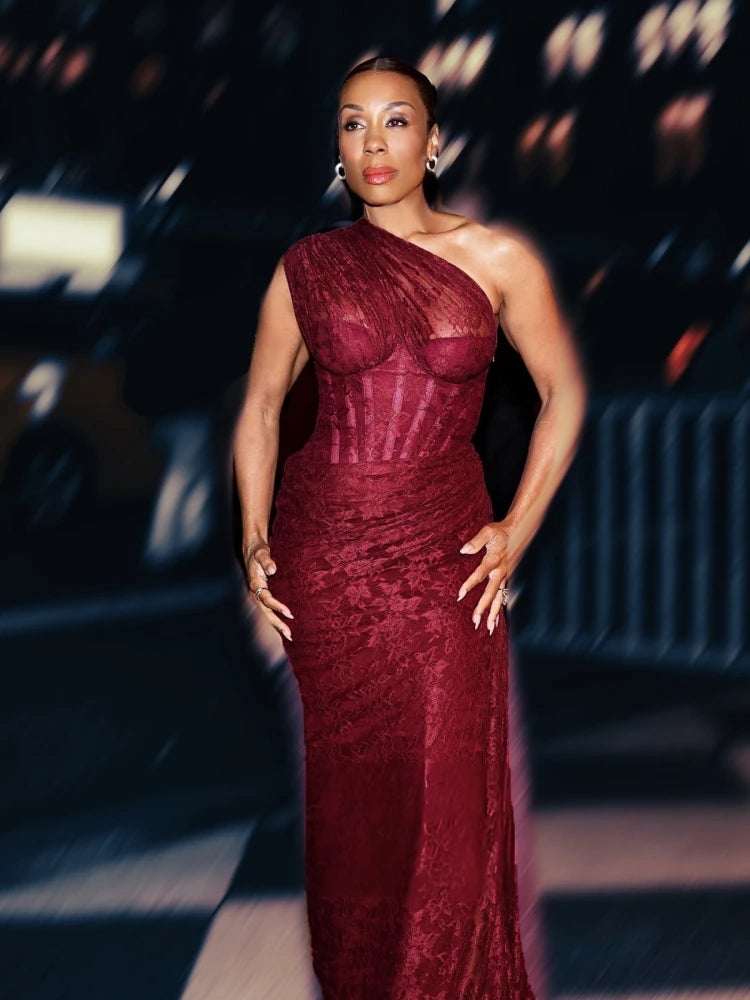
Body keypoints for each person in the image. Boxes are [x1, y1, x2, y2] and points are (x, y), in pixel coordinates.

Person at [233, 55, 588, 1000]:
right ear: (338, 149)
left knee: (450, 814)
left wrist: (516, 528)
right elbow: (264, 406)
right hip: (326, 563)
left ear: (436, 143)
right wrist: (253, 537)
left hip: (444, 562)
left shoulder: (497, 258)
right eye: (353, 124)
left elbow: (563, 395)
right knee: (352, 818)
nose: (373, 142)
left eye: (396, 122)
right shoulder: (306, 266)